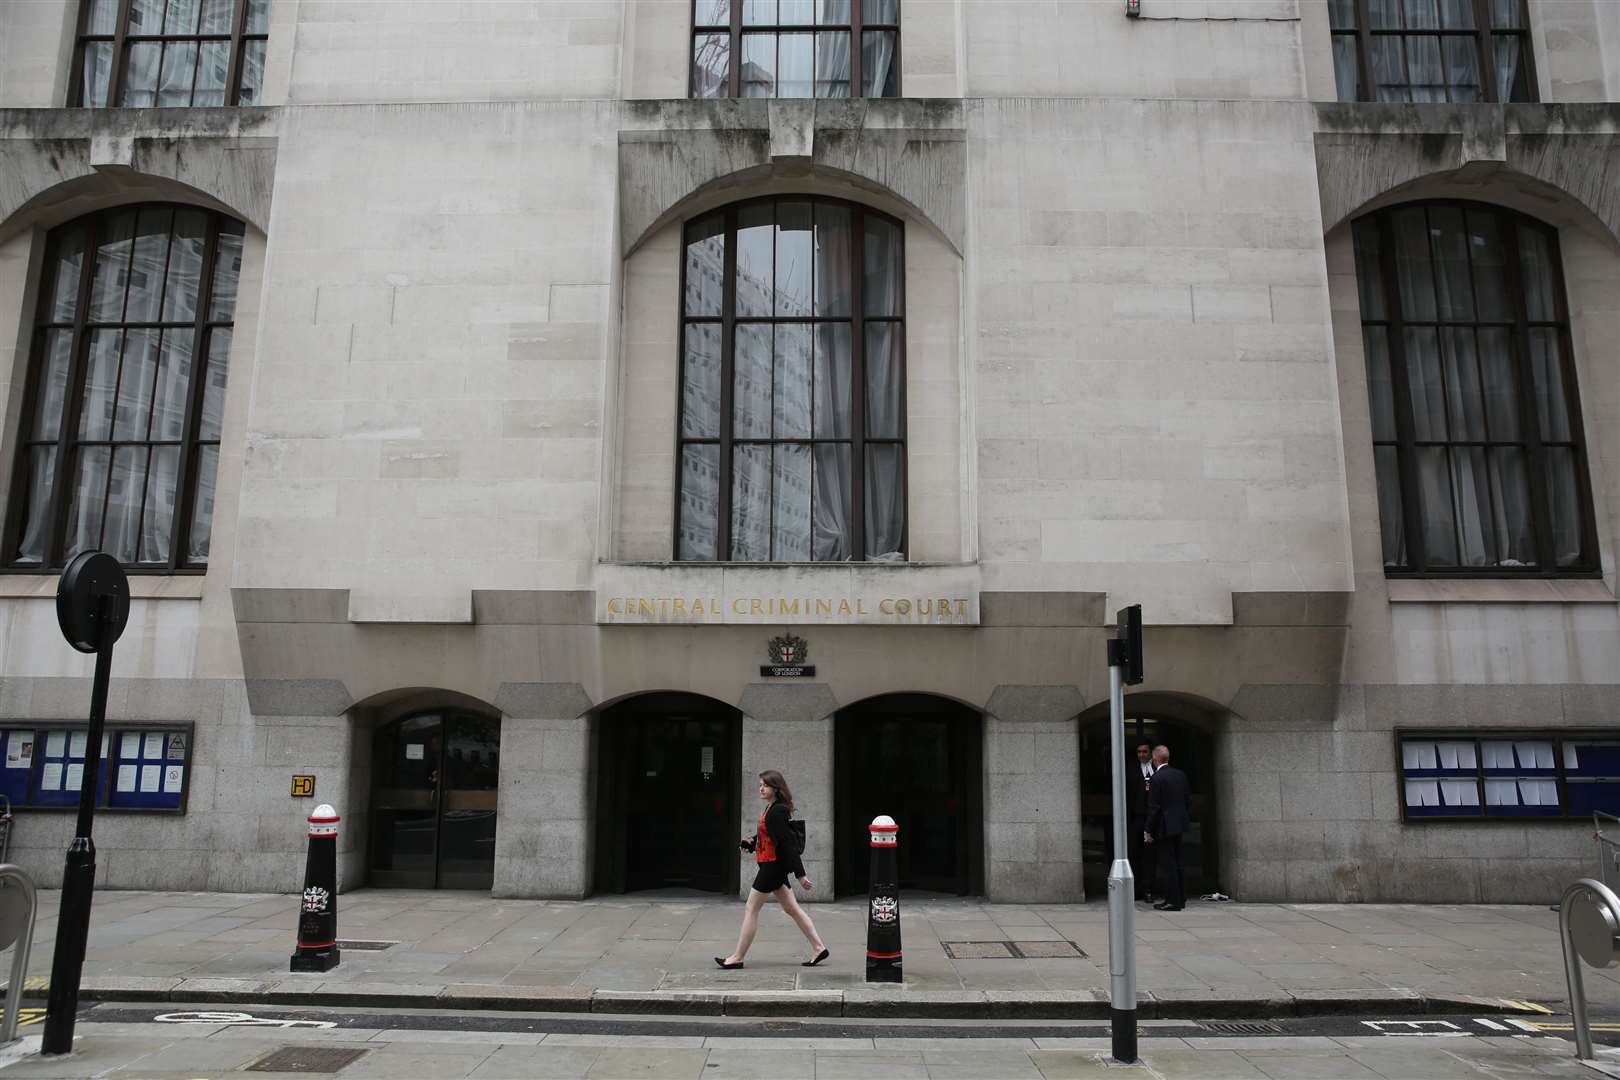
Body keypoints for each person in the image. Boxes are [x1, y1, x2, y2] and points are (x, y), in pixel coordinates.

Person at [715, 770, 829, 969]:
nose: (761, 788)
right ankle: (819, 948)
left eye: (765, 785)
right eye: (760, 784)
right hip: (772, 864)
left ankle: (737, 957)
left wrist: (800, 875)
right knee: (791, 908)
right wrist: (751, 844)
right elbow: (769, 838)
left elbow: (787, 844)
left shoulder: (777, 811)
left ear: (776, 789)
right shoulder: (772, 808)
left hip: (772, 867)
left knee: (751, 907)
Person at [1143, 745, 1189, 912]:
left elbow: (1154, 808)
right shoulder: (1180, 775)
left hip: (1164, 826)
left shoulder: (1156, 779)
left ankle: (1172, 901)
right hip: (1179, 824)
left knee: (1169, 864)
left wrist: (1148, 829)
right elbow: (1186, 799)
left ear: (1155, 760)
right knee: (1178, 862)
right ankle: (1181, 897)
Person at [1128, 742, 1156, 903]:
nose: (1142, 755)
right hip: (1136, 817)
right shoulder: (1131, 769)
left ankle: (1148, 888)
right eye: (1139, 752)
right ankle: (1136, 888)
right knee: (1135, 853)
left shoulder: (1155, 769)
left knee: (1149, 855)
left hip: (1151, 818)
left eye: (1145, 751)